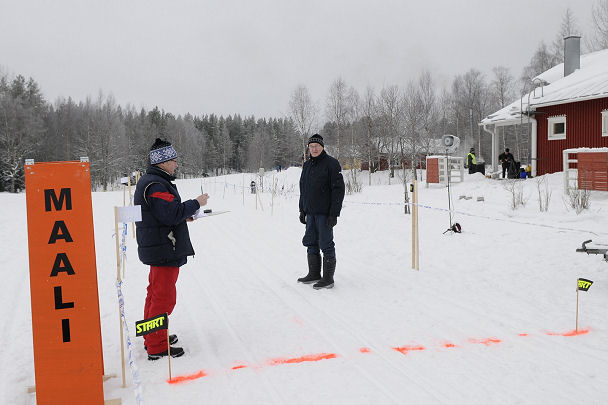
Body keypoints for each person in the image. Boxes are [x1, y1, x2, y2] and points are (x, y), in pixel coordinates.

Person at [134, 138, 209, 360]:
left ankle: (152, 336)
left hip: (160, 246)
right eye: (173, 160)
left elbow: (165, 214)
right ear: (163, 162)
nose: (176, 164)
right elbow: (169, 213)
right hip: (163, 248)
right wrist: (195, 204)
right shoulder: (156, 184)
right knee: (163, 298)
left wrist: (184, 216)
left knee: (155, 294)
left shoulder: (155, 181)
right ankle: (156, 345)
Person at [298, 134, 345, 289]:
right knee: (311, 242)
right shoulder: (307, 165)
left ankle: (328, 279)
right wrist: (302, 210)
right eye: (311, 146)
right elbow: (303, 189)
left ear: (322, 147)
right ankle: (314, 274)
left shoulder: (331, 164)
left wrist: (334, 214)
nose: (314, 149)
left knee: (325, 243)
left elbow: (338, 190)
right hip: (310, 212)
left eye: (317, 146)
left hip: (325, 213)